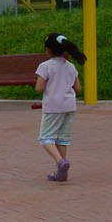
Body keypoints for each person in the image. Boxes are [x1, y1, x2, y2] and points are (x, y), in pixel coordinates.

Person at [34, 32, 84, 181]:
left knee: (46, 138)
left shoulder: (45, 66)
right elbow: (78, 88)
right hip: (69, 107)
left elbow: (39, 88)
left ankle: (61, 162)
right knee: (62, 139)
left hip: (53, 107)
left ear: (49, 50)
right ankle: (61, 172)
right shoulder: (70, 66)